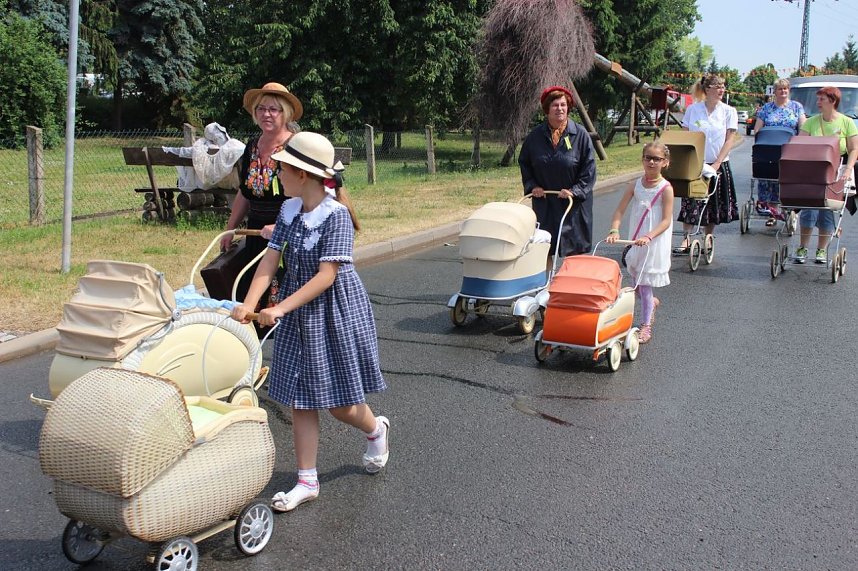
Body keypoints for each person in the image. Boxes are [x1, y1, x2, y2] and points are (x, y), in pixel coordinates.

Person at [231, 132, 389, 513]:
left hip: (332, 312)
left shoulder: (336, 217)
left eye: (282, 167)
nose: (276, 173)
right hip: (296, 310)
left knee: (339, 404)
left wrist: (280, 308)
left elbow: (326, 277)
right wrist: (247, 306)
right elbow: (269, 261)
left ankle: (375, 429)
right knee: (301, 398)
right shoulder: (289, 210)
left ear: (302, 174)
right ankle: (307, 480)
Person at [220, 82, 303, 310]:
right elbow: (245, 192)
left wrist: (281, 227)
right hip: (256, 230)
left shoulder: (296, 145)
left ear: (285, 113)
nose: (266, 114)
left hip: (287, 229)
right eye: (261, 109)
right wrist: (230, 230)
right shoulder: (252, 146)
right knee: (252, 289)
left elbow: (307, 195)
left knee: (281, 294)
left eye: (273, 109)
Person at [606, 141, 674, 344]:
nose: (652, 162)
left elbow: (666, 220)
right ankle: (650, 303)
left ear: (665, 163)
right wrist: (614, 229)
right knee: (636, 283)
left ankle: (646, 325)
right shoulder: (634, 185)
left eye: (657, 159)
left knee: (643, 285)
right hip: (636, 240)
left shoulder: (666, 189)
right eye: (648, 158)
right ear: (642, 160)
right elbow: (620, 210)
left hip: (653, 242)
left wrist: (650, 236)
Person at [518, 85, 596, 262]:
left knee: (575, 250)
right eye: (555, 105)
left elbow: (589, 169)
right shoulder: (535, 137)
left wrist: (575, 191)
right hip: (545, 202)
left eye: (563, 105)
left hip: (573, 203)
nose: (560, 109)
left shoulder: (580, 135)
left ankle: (572, 286)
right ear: (547, 109)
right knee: (544, 246)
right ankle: (544, 286)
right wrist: (532, 186)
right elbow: (525, 163)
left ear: (568, 107)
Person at [675, 74, 738, 252]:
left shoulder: (728, 111)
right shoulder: (693, 109)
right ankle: (686, 239)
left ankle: (708, 236)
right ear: (707, 89)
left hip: (718, 163)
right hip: (695, 162)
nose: (721, 90)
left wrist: (718, 162)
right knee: (691, 200)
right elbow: (686, 134)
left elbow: (730, 139)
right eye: (717, 86)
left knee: (713, 201)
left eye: (723, 86)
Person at [794, 86, 858, 263]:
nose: (818, 102)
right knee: (809, 208)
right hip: (813, 171)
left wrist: (848, 169)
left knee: (828, 209)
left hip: (837, 171)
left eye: (821, 99)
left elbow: (854, 149)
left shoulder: (846, 122)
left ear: (832, 101)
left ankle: (821, 250)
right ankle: (803, 247)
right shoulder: (811, 122)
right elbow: (799, 145)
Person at [752, 78, 807, 226]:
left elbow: (803, 127)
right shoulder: (766, 108)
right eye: (780, 89)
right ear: (774, 91)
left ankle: (787, 210)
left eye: (785, 89)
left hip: (789, 148)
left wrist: (801, 142)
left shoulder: (796, 107)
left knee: (784, 180)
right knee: (767, 177)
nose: (783, 91)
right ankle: (771, 212)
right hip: (768, 148)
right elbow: (758, 128)